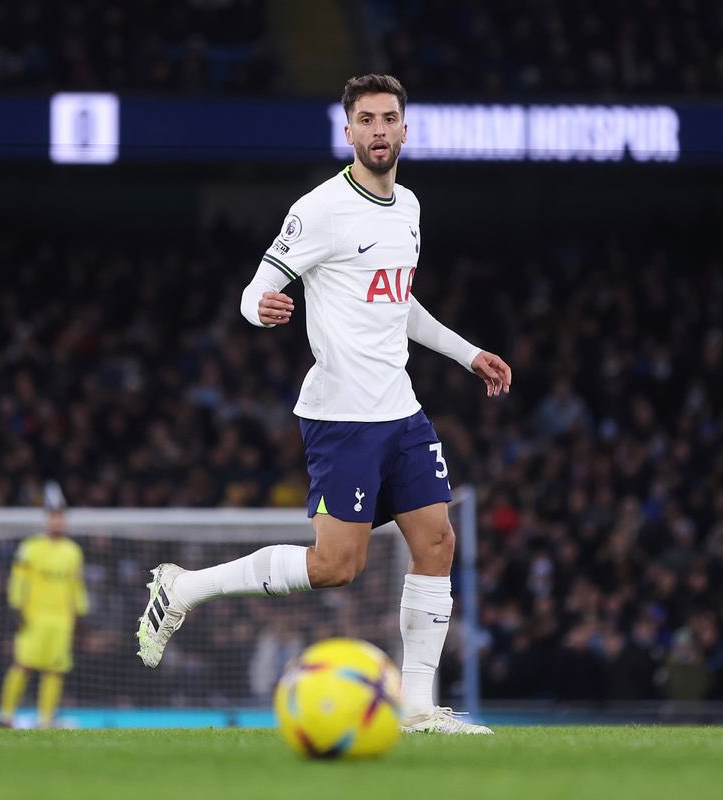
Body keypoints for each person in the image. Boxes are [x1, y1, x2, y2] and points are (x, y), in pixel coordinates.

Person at [136, 74, 512, 734]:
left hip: (399, 409)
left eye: (386, 118)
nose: (376, 129)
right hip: (342, 417)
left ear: (403, 129)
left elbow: (400, 306)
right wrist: (263, 310)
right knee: (336, 567)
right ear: (348, 132)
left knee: (437, 542)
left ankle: (420, 710)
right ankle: (185, 586)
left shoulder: (408, 209)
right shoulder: (319, 209)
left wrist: (466, 352)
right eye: (364, 119)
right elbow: (256, 289)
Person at [0, 482, 88, 728]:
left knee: (55, 670)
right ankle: (5, 717)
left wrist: (80, 614)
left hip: (62, 621)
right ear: (46, 520)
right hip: (33, 618)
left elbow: (76, 587)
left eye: (61, 517)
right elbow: (19, 580)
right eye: (54, 517)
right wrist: (15, 607)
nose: (58, 522)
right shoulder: (30, 548)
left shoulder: (73, 552)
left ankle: (45, 720)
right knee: (22, 665)